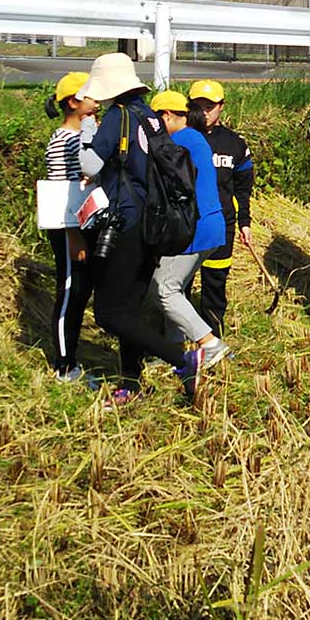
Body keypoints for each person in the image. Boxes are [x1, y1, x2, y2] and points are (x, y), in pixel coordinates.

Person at [77, 53, 203, 406]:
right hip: (152, 223)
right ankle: (129, 385)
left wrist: (87, 126)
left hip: (125, 223)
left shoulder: (116, 117)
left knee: (109, 313)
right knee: (129, 309)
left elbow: (90, 162)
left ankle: (183, 359)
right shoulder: (150, 117)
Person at [146, 91, 229, 365]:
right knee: (175, 288)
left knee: (163, 289)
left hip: (194, 228)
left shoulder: (177, 142)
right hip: (211, 226)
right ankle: (174, 352)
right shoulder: (196, 137)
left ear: (166, 115)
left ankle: (209, 343)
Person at [42, 71, 99, 386]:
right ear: (73, 102)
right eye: (91, 96)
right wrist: (73, 234)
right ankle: (64, 366)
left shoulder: (84, 135)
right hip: (70, 227)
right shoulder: (63, 141)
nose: (96, 102)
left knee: (82, 290)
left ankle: (73, 358)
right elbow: (60, 192)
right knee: (69, 292)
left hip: (85, 222)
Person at [187, 80, 254, 336]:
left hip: (220, 225)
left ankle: (213, 334)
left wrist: (244, 222)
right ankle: (181, 333)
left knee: (215, 282)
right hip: (187, 222)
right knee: (181, 282)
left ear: (221, 107)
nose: (205, 112)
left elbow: (242, 188)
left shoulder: (234, 144)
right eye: (198, 106)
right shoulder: (181, 138)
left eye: (210, 106)